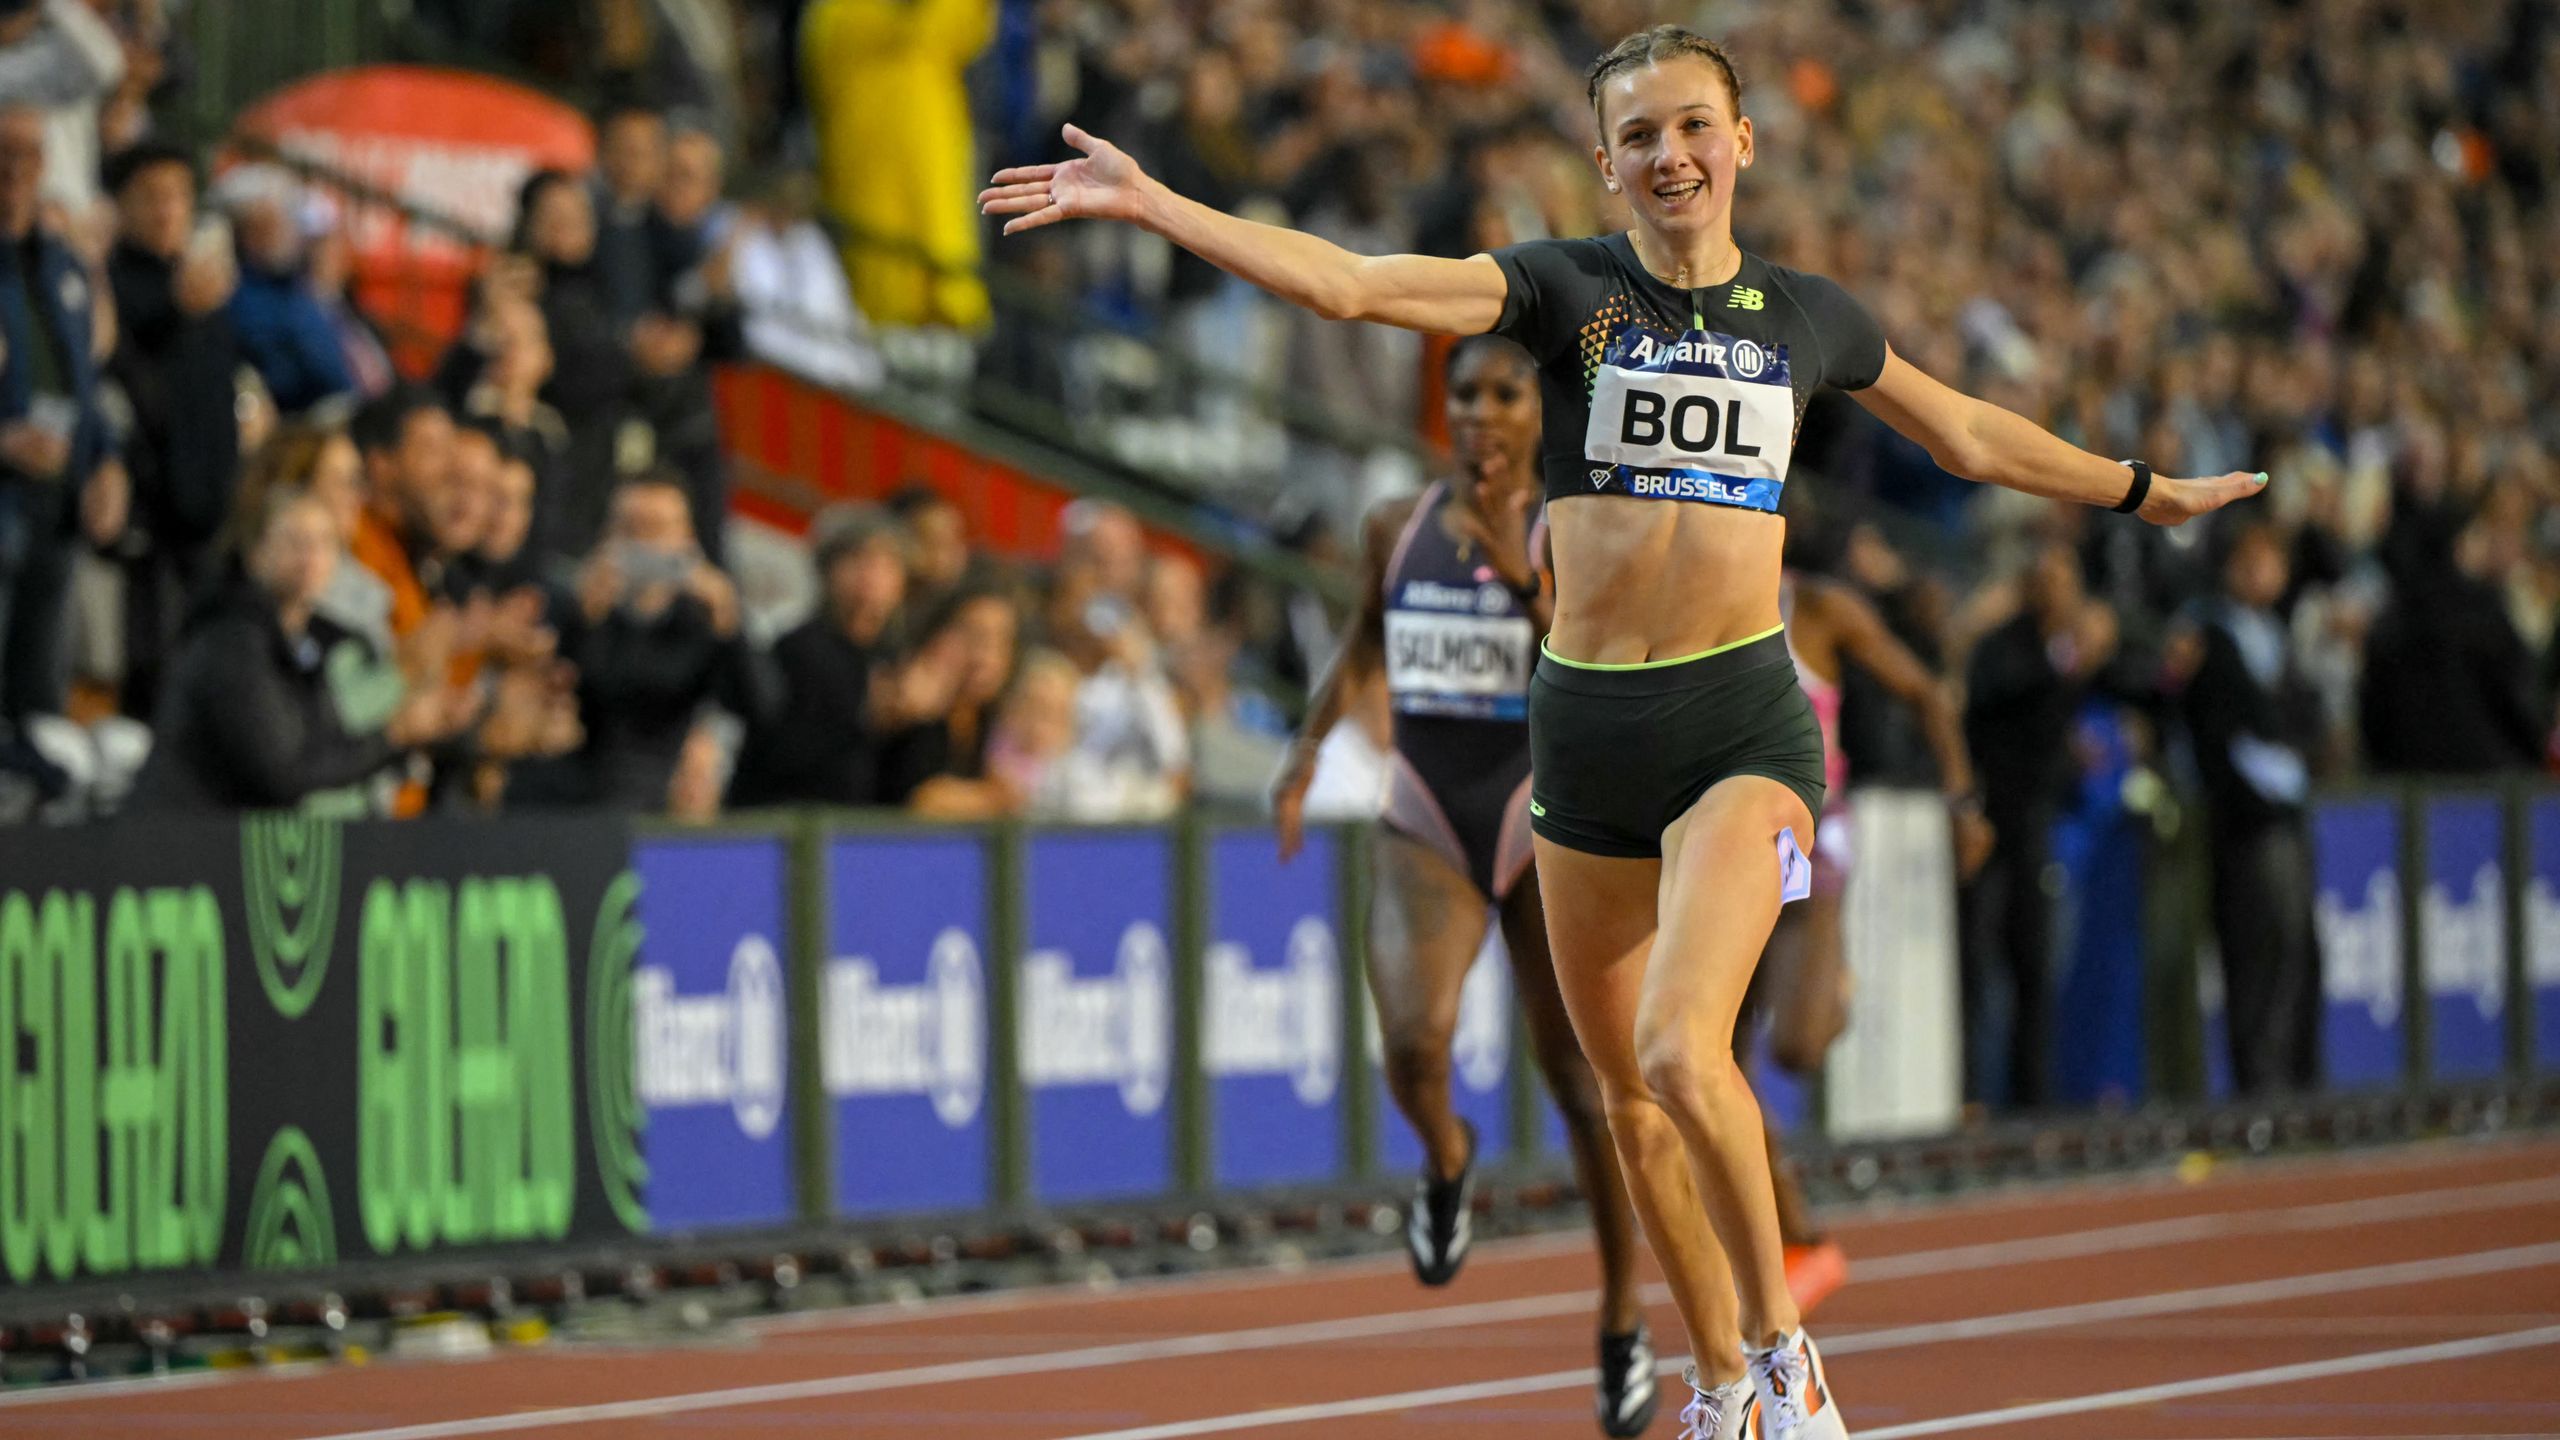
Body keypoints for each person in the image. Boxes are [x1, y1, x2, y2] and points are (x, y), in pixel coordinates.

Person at [982, 25, 2263, 1438]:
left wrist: (2147, 491)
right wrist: (1161, 206)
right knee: (1629, 1104)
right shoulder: (1561, 291)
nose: (1670, 155)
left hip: (1740, 722)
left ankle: (1787, 1357)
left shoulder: (1806, 317)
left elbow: (1966, 436)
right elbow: (1350, 287)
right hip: (1583, 733)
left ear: (1742, 142)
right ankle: (1719, 1385)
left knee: (1674, 1045)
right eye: (1640, 136)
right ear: (1605, 166)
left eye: (1693, 127)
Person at [1271, 334, 1653, 1436]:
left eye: (1504, 395)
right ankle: (1446, 1155)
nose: (1481, 414)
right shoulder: (1396, 526)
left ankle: (1622, 1320)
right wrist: (1304, 755)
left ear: (1542, 411)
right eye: (1464, 396)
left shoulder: (1576, 524)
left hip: (1545, 816)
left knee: (1585, 1091)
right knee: (1412, 1045)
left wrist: (1522, 575)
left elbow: (1601, 664)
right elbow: (1362, 641)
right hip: (1429, 807)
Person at [1744, 558, 1992, 1310]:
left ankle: (1831, 983)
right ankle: (1799, 1240)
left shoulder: (1817, 609)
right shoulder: (1685, 603)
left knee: (1796, 1046)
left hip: (1804, 847)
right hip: (1719, 850)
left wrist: (1963, 801)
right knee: (1713, 1059)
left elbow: (1923, 692)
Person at [126, 489, 469, 813]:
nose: (310, 557)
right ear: (256, 551)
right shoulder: (233, 639)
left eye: (323, 543)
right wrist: (396, 734)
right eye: (294, 541)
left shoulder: (314, 642)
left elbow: (326, 748)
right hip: (182, 850)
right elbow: (284, 772)